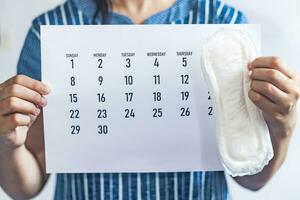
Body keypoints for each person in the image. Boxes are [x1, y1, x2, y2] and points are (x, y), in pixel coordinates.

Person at [0, 0, 299, 199]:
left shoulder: (224, 23)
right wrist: (9, 143)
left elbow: (250, 177)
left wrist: (283, 125)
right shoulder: (52, 29)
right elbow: (26, 185)